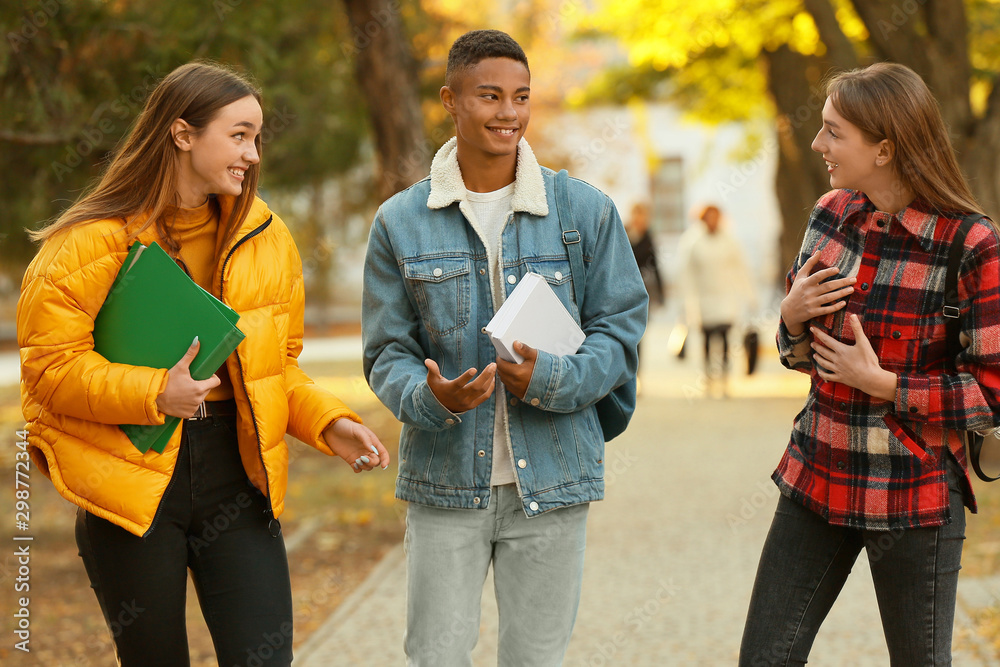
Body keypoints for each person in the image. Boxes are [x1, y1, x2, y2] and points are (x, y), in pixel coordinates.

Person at [17, 61, 391, 667]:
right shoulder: (89, 241)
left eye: (257, 137)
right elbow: (49, 371)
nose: (252, 152)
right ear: (182, 133)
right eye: (239, 134)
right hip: (132, 475)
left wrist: (329, 424)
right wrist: (153, 394)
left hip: (237, 475)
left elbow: (279, 368)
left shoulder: (267, 236)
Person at [361, 29, 647, 666]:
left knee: (535, 660)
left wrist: (551, 379)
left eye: (521, 97)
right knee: (435, 656)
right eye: (490, 96)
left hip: (553, 480)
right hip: (444, 481)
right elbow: (386, 353)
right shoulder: (399, 222)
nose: (508, 113)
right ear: (450, 101)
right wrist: (428, 396)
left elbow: (620, 334)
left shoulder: (585, 211)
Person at [739, 62, 1000, 664]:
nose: (816, 143)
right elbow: (797, 355)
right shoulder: (832, 213)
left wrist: (884, 384)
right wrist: (792, 315)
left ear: (885, 147)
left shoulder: (970, 245)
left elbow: (990, 395)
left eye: (834, 132)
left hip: (915, 496)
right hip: (817, 472)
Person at [677, 203, 756, 397]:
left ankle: (725, 379)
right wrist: (686, 301)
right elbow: (686, 273)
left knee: (725, 340)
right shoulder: (692, 242)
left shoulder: (729, 241)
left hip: (725, 298)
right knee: (707, 340)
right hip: (703, 300)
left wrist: (750, 295)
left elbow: (740, 268)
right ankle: (708, 378)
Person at [627, 201, 664, 382]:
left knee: (639, 334)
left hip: (641, 290)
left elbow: (656, 266)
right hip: (623, 290)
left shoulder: (648, 238)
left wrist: (661, 294)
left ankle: (637, 376)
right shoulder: (622, 233)